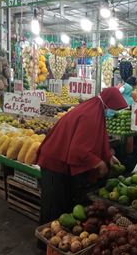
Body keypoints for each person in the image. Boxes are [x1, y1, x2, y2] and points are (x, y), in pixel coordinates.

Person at [37, 87, 128, 224]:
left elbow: (96, 138)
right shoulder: (90, 115)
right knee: (53, 207)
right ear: (108, 103)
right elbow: (78, 150)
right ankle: (45, 243)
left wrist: (108, 156)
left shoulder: (94, 107)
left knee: (61, 205)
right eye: (114, 108)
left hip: (59, 156)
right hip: (54, 160)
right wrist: (99, 163)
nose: (114, 112)